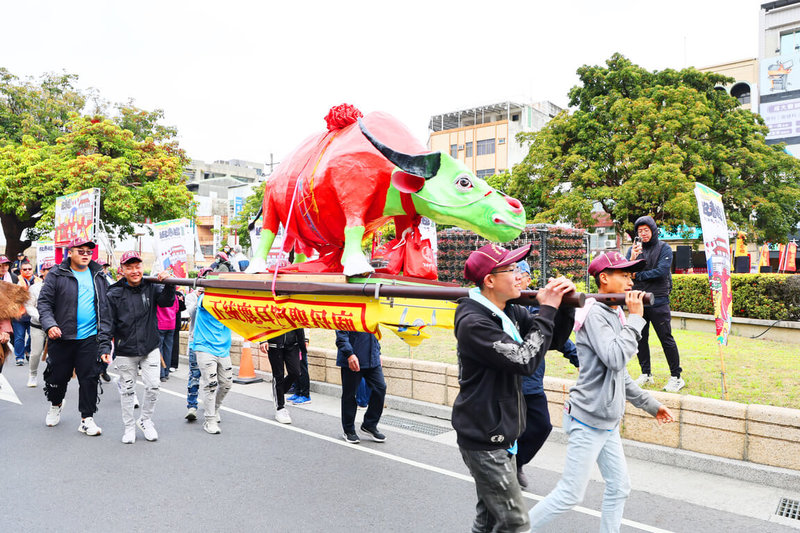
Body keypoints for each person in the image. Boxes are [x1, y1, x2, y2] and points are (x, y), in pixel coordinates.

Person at [528, 251, 675, 532]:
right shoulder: (596, 314)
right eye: (624, 275)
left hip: (606, 422)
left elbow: (619, 375)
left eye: (631, 275)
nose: (631, 282)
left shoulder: (614, 312)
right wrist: (636, 320)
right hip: (587, 419)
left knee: (620, 487)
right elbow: (615, 357)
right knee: (570, 494)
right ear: (604, 279)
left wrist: (651, 404)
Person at [453, 243, 575, 533]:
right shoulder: (474, 322)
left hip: (504, 434)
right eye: (512, 269)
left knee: (489, 520)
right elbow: (524, 359)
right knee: (516, 522)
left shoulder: (509, 312)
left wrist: (564, 306)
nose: (520, 275)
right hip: (484, 438)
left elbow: (550, 342)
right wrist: (547, 308)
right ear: (490, 281)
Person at [515, 260, 580, 489]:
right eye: (510, 271)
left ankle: (517, 463)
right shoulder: (506, 306)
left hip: (532, 380)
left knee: (541, 426)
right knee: (508, 429)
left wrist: (579, 360)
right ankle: (499, 468)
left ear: (528, 279)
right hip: (509, 381)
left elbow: (558, 340)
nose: (515, 277)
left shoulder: (536, 306)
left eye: (518, 273)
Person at [37, 238, 112, 436]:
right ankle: (55, 404)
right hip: (62, 337)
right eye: (81, 251)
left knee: (89, 378)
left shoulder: (98, 275)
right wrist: (50, 325)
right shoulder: (57, 273)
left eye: (89, 251)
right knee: (57, 378)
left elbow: (106, 308)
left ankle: (87, 418)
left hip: (90, 338)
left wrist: (105, 343)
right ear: (70, 252)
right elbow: (44, 303)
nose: (85, 254)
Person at [106, 251, 175, 444]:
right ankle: (129, 427)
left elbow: (167, 301)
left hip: (150, 346)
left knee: (153, 386)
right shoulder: (114, 292)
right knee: (127, 390)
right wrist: (104, 347)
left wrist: (169, 283)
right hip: (125, 350)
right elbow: (107, 323)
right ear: (122, 270)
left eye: (137, 266)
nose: (135, 271)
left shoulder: (151, 286)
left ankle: (145, 420)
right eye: (129, 267)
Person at [626, 216, 684, 392]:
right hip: (638, 299)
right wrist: (632, 258)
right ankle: (646, 374)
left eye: (646, 230)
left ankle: (676, 376)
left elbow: (661, 271)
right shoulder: (633, 250)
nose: (643, 234)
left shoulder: (664, 248)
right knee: (640, 339)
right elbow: (626, 272)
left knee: (665, 338)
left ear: (653, 230)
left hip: (658, 299)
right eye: (640, 231)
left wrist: (638, 276)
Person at [191, 290, 233, 434]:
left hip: (223, 348)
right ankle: (210, 420)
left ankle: (214, 409)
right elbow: (206, 302)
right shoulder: (205, 298)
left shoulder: (231, 299)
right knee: (210, 384)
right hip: (204, 347)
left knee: (227, 383)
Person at [335, 330, 387, 444]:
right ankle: (348, 430)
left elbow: (375, 333)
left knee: (380, 388)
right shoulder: (348, 312)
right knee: (350, 394)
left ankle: (369, 425)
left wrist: (378, 353)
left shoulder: (372, 312)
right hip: (352, 359)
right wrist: (349, 354)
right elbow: (341, 335)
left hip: (372, 358)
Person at [25, 260, 54, 387]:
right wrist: (42, 318)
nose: (52, 272)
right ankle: (32, 374)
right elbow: (29, 306)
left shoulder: (60, 287)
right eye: (49, 270)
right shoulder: (35, 288)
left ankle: (52, 376)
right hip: (38, 325)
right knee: (36, 353)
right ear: (42, 272)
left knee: (56, 354)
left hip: (55, 326)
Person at [267, 328, 304, 423]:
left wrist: (304, 339)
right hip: (274, 343)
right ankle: (280, 408)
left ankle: (278, 392)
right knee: (278, 375)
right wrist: (262, 340)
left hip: (293, 342)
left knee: (295, 372)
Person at [11, 260, 35, 365]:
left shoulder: (38, 280)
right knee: (19, 337)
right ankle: (19, 357)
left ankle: (27, 349)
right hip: (19, 315)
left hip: (33, 315)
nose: (27, 271)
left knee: (33, 336)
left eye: (29, 269)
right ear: (21, 271)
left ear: (32, 270)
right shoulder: (17, 281)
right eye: (25, 269)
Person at [156, 286, 179, 381]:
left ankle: (161, 373)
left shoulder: (157, 293)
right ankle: (166, 372)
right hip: (171, 324)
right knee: (168, 349)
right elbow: (177, 309)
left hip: (160, 323)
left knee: (159, 350)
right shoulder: (174, 295)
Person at [287, 328, 311, 405]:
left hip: (301, 341)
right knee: (295, 368)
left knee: (302, 368)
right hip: (292, 342)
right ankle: (297, 392)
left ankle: (305, 395)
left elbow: (306, 325)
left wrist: (306, 339)